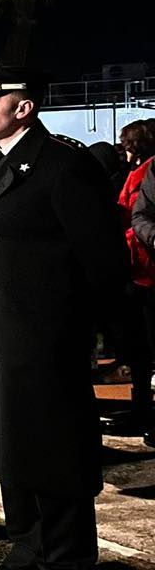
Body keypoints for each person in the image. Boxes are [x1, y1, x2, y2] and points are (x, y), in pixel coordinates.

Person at [0, 53, 127, 570]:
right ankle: (25, 551)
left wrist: (80, 335)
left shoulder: (62, 167)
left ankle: (68, 567)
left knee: (53, 454)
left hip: (41, 339)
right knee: (13, 450)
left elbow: (102, 263)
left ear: (23, 107)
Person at [116, 120, 155, 442]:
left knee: (146, 347)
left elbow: (133, 213)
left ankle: (145, 412)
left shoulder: (143, 172)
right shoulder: (142, 171)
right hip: (139, 268)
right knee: (140, 348)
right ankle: (142, 411)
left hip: (146, 268)